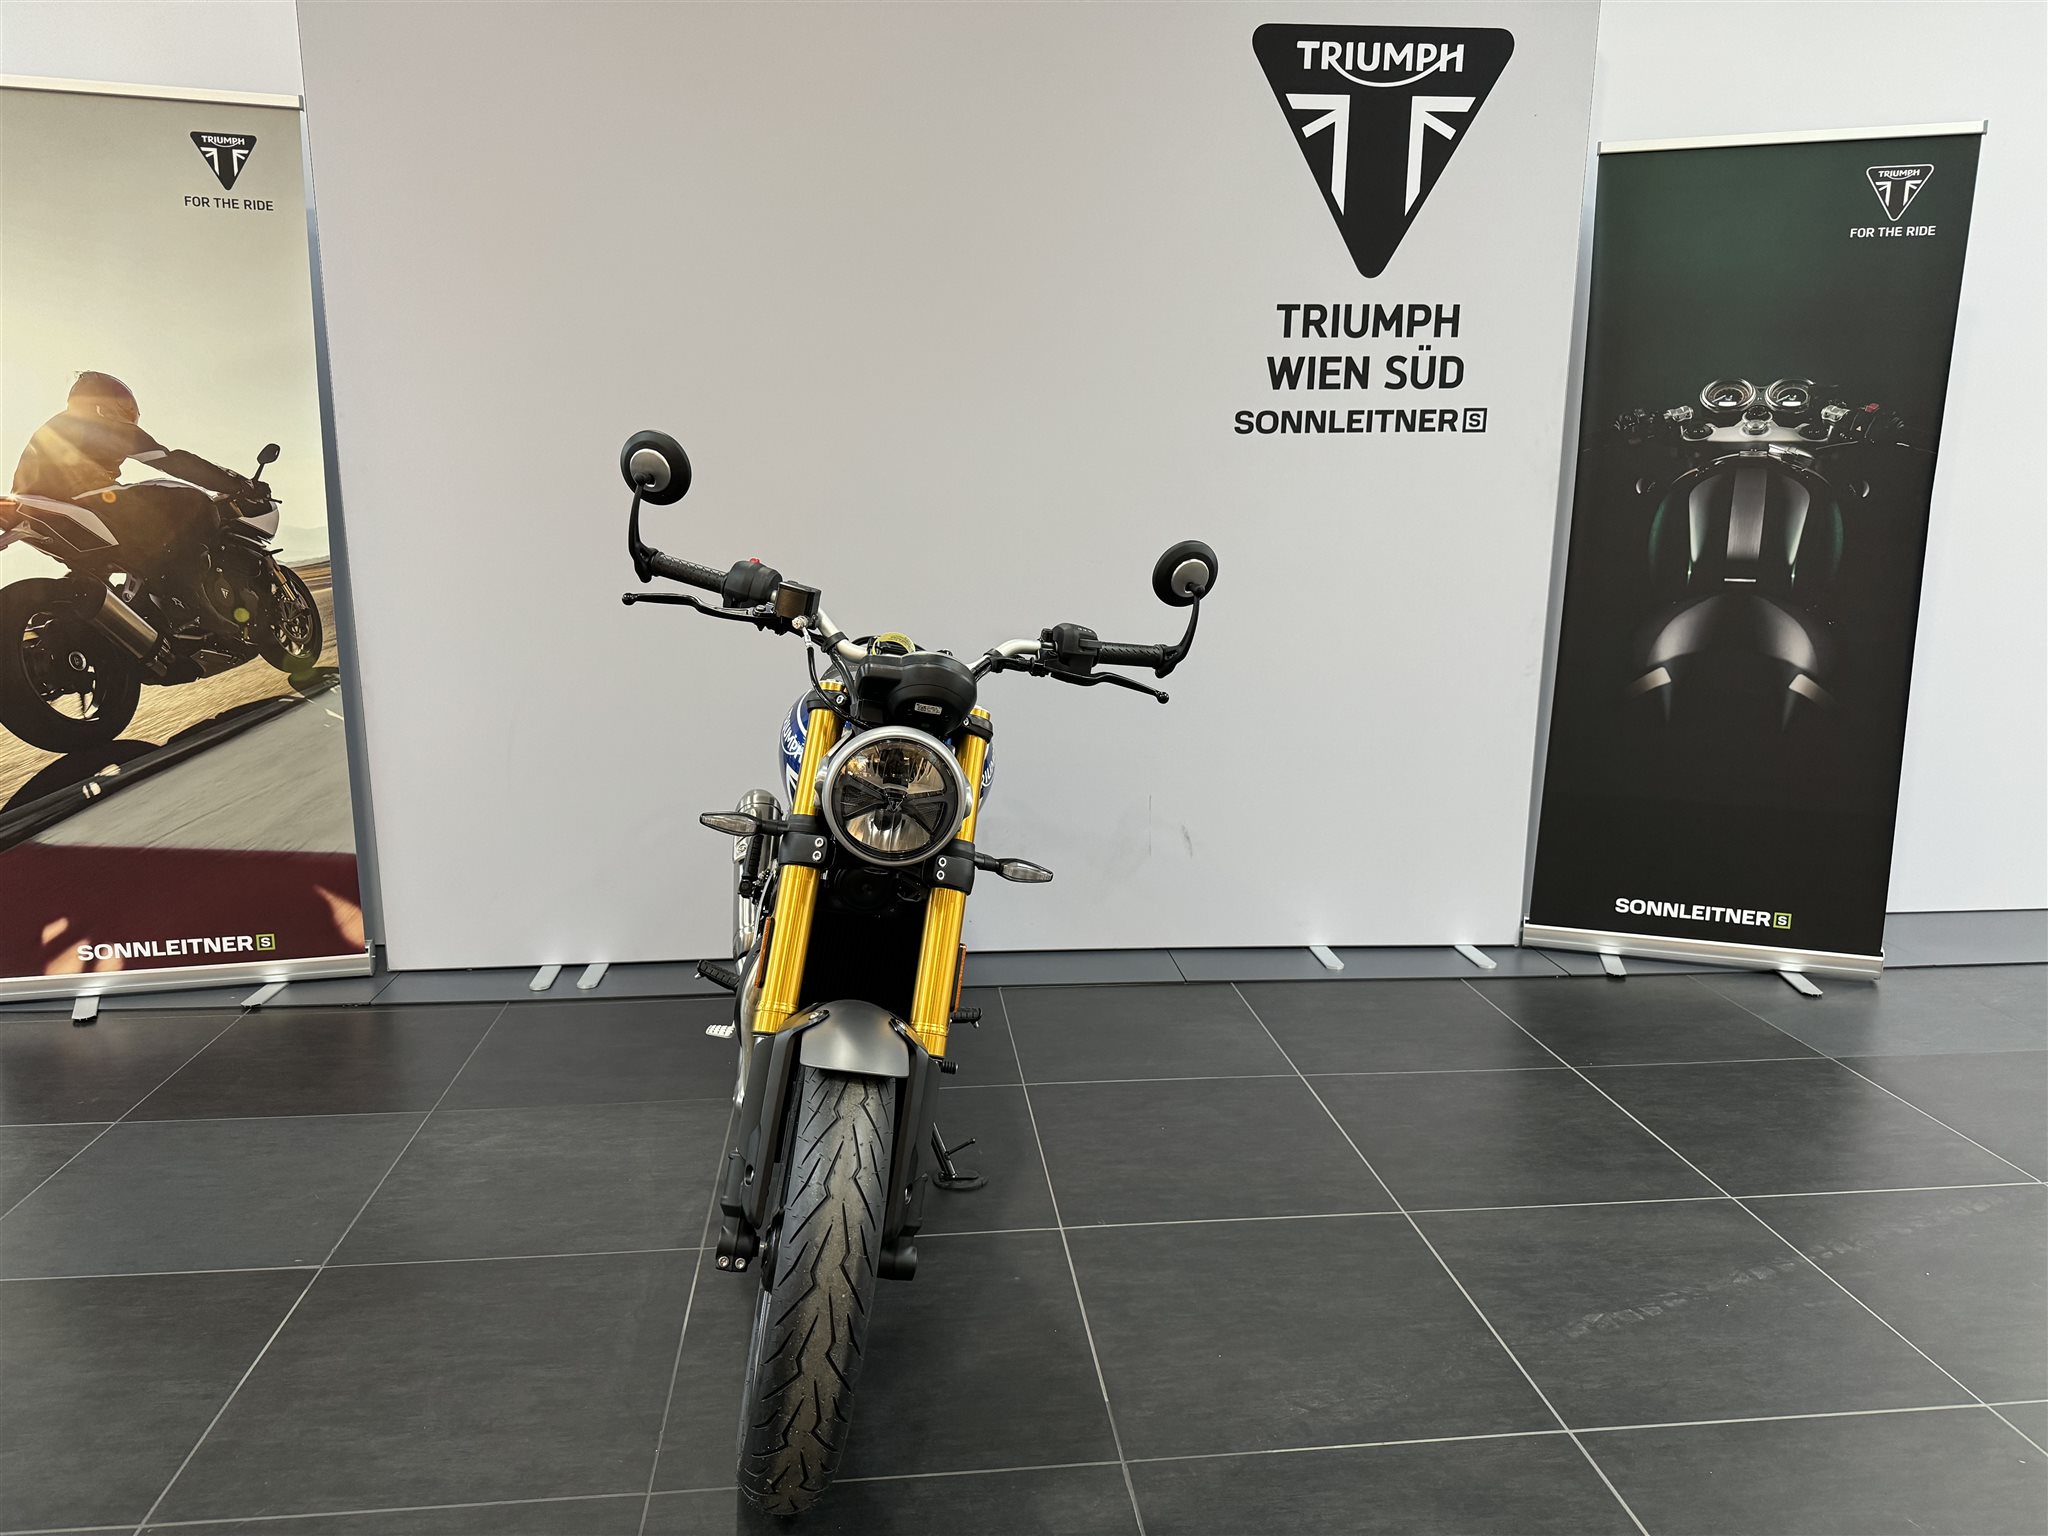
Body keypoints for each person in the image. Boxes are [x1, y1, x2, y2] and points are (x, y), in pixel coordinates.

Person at [11, 371, 247, 566]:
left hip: (45, 506)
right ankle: (188, 590)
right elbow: (167, 459)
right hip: (79, 498)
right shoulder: (96, 421)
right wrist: (237, 485)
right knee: (196, 503)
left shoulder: (59, 426)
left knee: (123, 554)